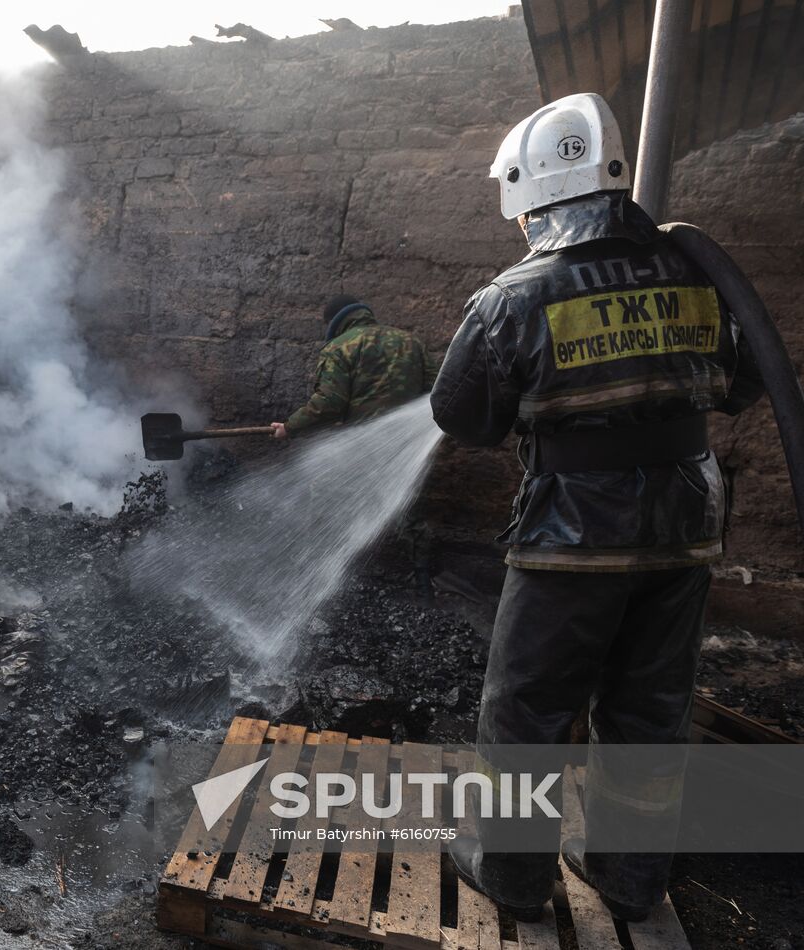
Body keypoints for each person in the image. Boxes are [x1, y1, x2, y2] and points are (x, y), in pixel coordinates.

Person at [431, 93, 764, 922]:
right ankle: (629, 876)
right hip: (686, 530)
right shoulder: (700, 275)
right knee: (651, 712)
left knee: (528, 710)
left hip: (569, 541)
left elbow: (462, 418)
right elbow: (748, 384)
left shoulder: (514, 296)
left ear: (533, 194)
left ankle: (510, 878)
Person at [270, 294, 439, 440]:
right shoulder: (412, 341)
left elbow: (330, 402)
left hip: (365, 439)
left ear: (333, 323)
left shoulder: (338, 347)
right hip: (411, 435)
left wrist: (290, 427)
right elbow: (437, 389)